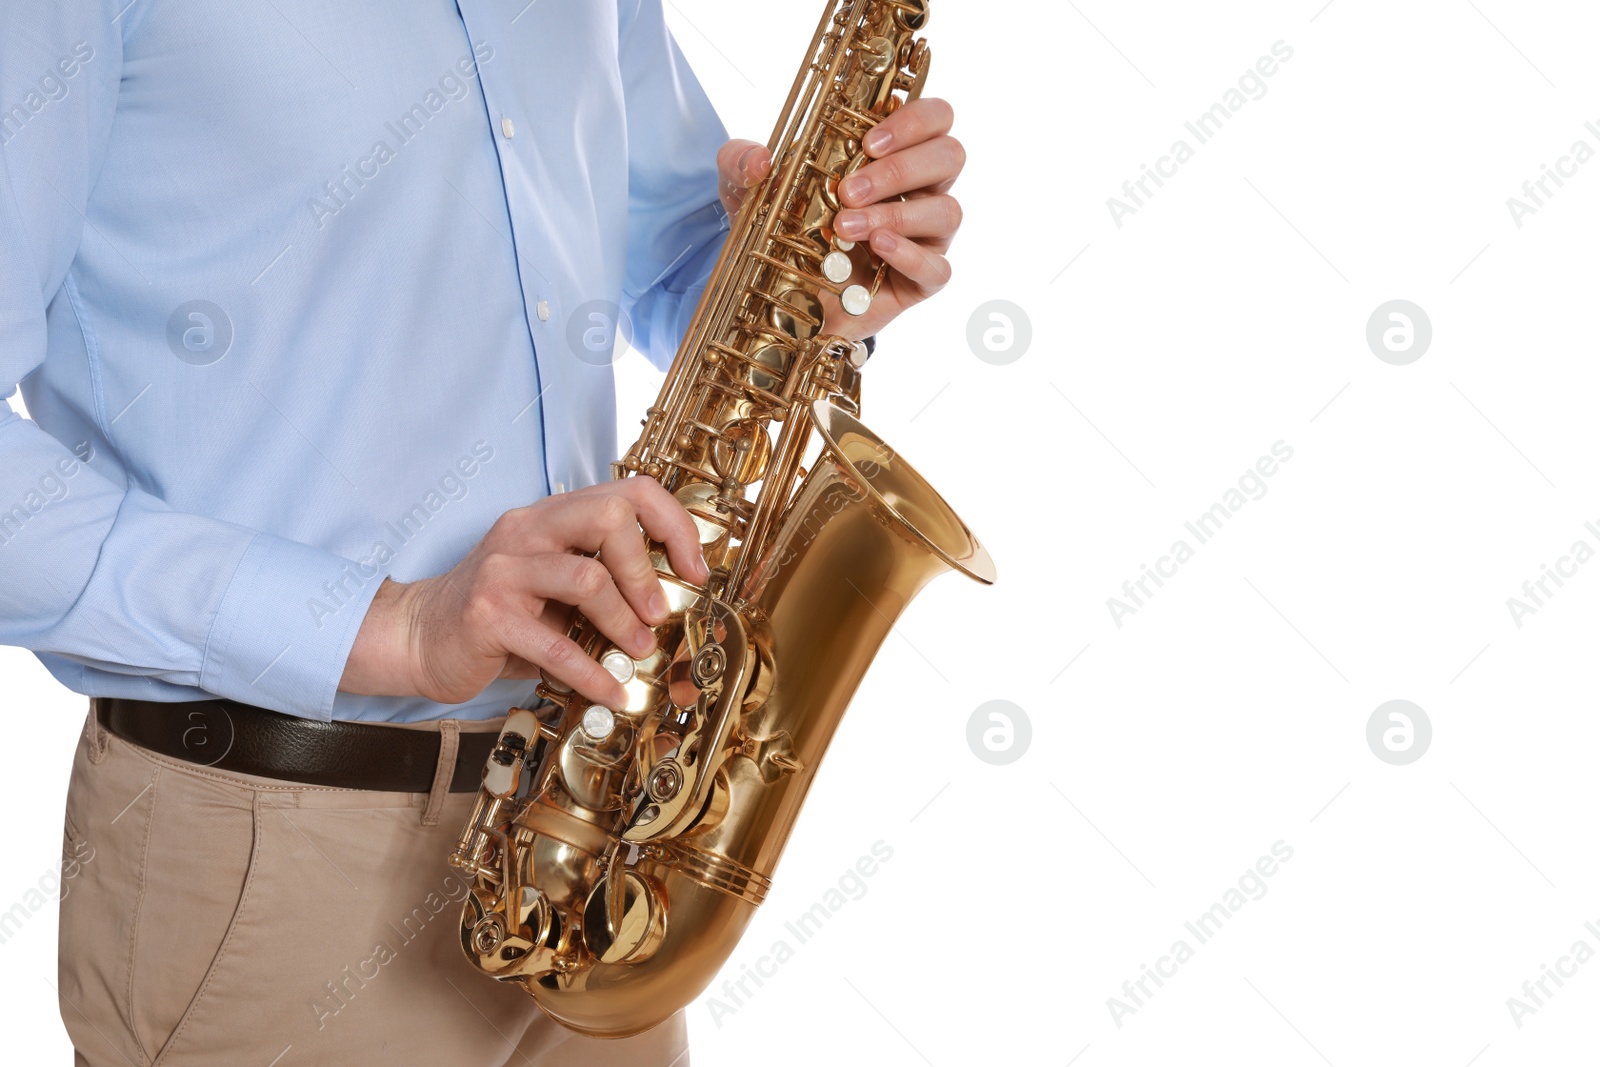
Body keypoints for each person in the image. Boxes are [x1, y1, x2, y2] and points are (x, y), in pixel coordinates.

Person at [0, 2, 966, 1064]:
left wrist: (811, 269)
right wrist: (396, 627)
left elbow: (664, 256)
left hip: (587, 827)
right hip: (275, 854)